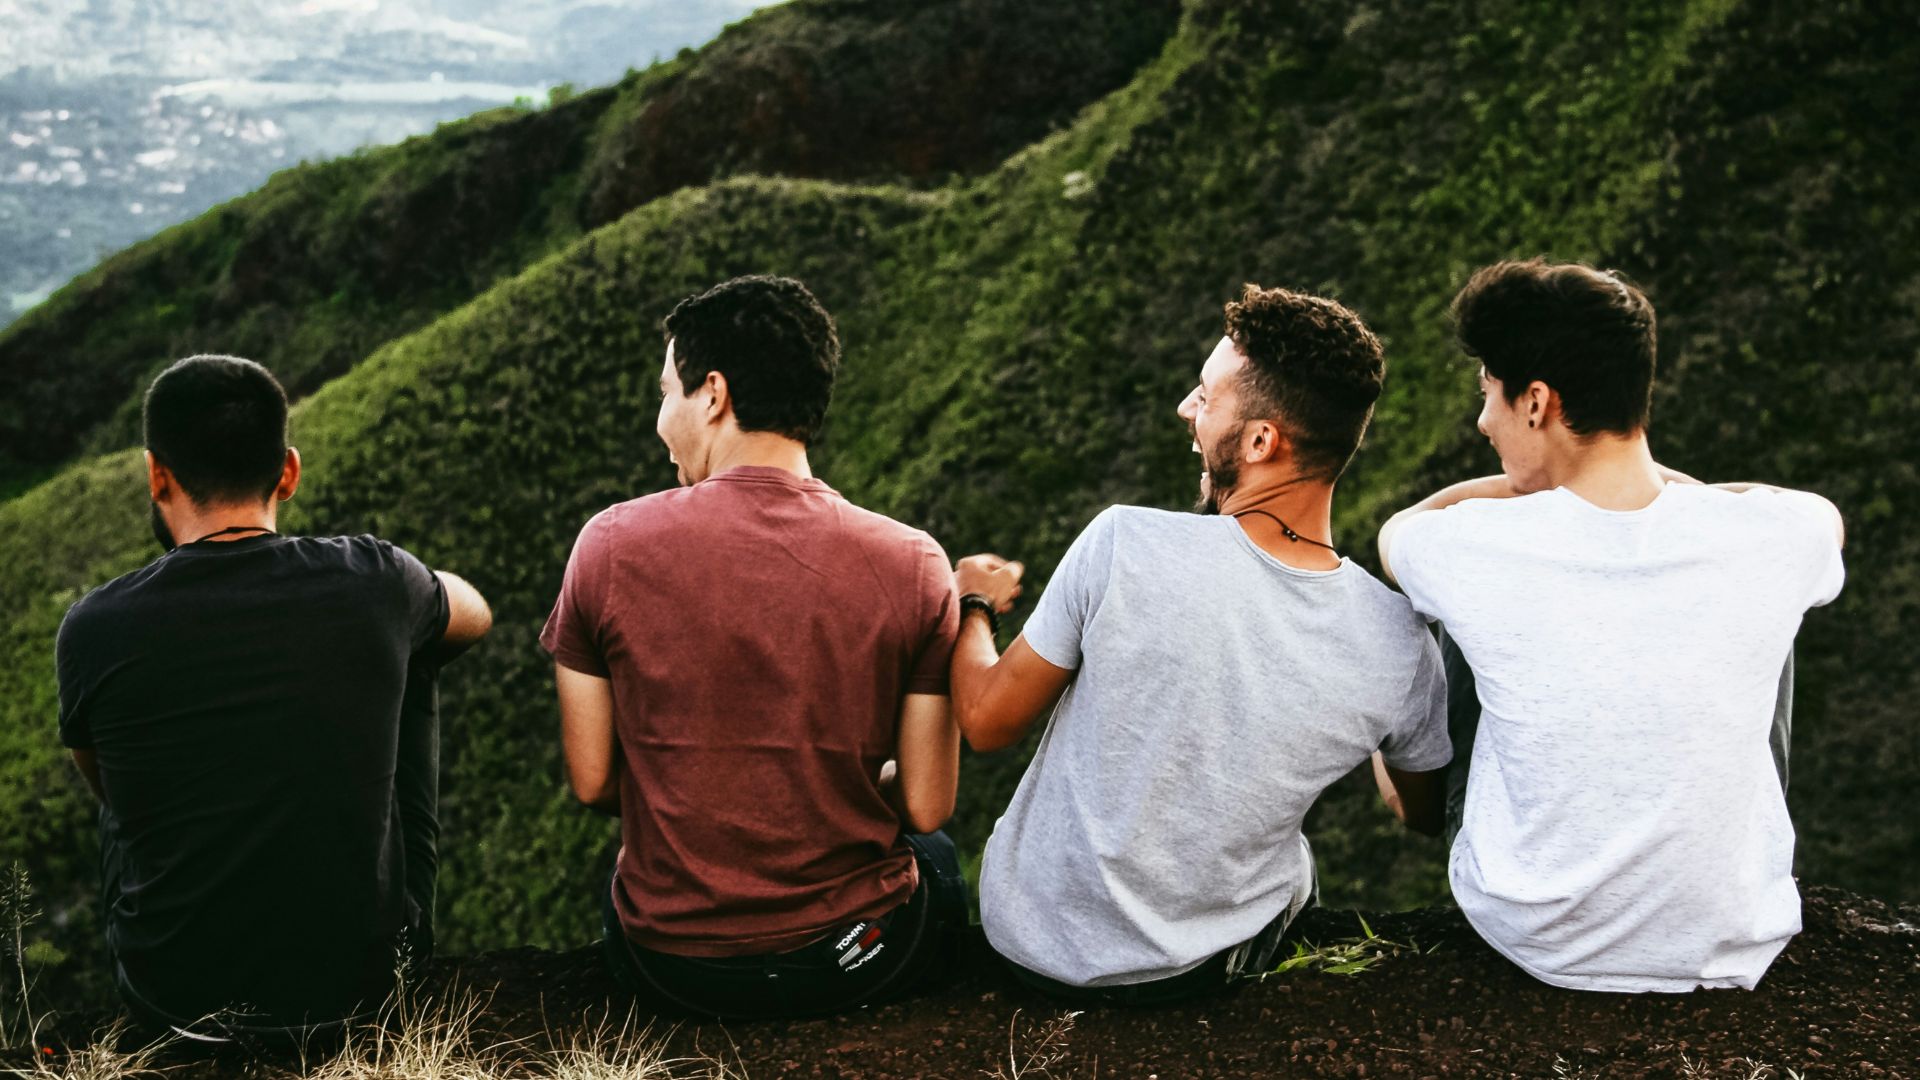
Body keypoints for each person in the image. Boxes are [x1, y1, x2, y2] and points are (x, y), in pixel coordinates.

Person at [949, 285, 1453, 1004]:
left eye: (1206, 397)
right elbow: (1422, 814)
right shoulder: (1400, 642)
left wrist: (973, 603)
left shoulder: (1122, 542)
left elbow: (986, 720)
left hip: (1028, 946)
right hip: (1195, 973)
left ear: (1259, 442)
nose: (1187, 408)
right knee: (1296, 864)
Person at [1377, 259, 1845, 993]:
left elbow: (1399, 533)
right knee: (1765, 607)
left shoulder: (1469, 543)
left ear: (1536, 402)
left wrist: (1520, 489)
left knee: (1452, 613)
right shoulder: (1773, 536)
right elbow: (1821, 516)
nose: (1481, 422)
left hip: (1534, 931)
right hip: (1727, 937)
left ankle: (1426, 811)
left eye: (1488, 396)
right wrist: (1675, 493)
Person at [542, 275, 968, 1021]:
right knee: (936, 859)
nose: (658, 420)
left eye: (667, 392)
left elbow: (593, 781)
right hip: (852, 960)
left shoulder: (607, 546)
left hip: (671, 967)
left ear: (713, 394)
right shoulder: (916, 563)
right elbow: (928, 803)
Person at [55, 354, 493, 1038]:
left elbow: (112, 792)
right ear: (288, 471)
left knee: (129, 765)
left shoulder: (92, 626)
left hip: (172, 994)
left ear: (155, 473)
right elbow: (476, 613)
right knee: (418, 649)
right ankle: (399, 943)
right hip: (357, 987)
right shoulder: (374, 579)